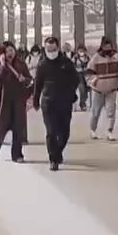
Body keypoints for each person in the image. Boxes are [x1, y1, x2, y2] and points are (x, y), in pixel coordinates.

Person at [34, 36, 81, 170]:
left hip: (64, 102)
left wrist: (70, 92)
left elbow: (75, 79)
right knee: (51, 131)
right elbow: (38, 84)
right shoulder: (42, 65)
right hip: (48, 103)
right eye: (48, 49)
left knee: (64, 132)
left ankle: (58, 151)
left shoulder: (66, 63)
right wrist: (35, 100)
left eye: (53, 49)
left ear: (58, 48)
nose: (51, 52)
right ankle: (53, 159)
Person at [0, 41, 32, 162]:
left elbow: (29, 79)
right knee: (1, 127)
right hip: (3, 101)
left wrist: (25, 79)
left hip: (18, 100)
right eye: (7, 51)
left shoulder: (21, 64)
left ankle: (17, 154)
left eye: (12, 50)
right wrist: (3, 65)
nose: (10, 53)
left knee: (18, 127)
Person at [87, 37, 118, 140]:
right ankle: (93, 130)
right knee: (95, 111)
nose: (107, 49)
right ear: (102, 47)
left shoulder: (116, 57)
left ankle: (109, 131)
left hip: (111, 89)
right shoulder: (96, 58)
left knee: (111, 111)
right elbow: (89, 72)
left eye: (109, 46)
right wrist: (92, 80)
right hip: (98, 90)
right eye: (105, 46)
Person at [72, 44, 91, 111]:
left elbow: (91, 66)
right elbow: (71, 66)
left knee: (87, 89)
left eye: (83, 51)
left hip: (86, 75)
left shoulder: (88, 58)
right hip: (78, 75)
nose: (81, 52)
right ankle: (82, 104)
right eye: (80, 51)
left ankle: (84, 101)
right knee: (82, 88)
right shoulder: (75, 58)